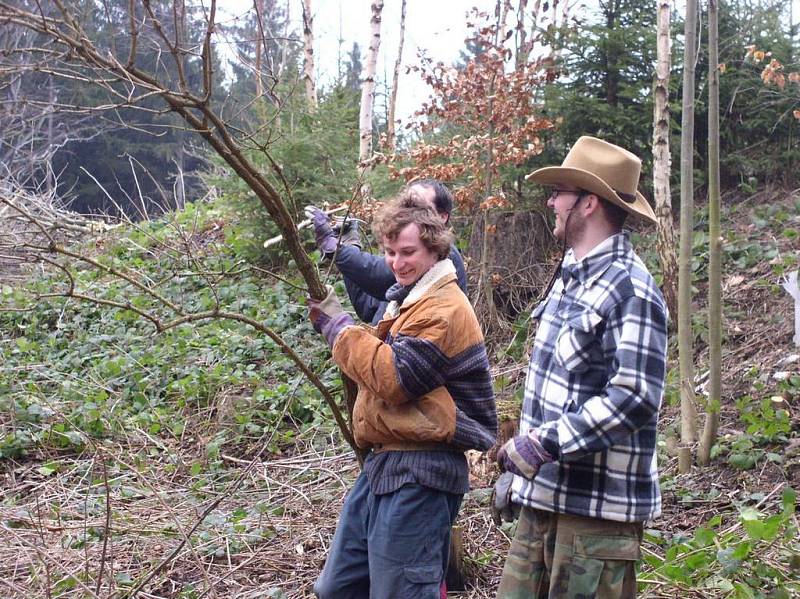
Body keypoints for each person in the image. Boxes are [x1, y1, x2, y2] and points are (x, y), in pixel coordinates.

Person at [495, 136, 669, 598]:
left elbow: (634, 398)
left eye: (560, 193)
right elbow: (557, 389)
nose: (551, 202)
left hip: (594, 523)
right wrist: (518, 477)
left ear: (588, 203)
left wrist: (542, 445)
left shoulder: (631, 289)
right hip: (543, 504)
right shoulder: (570, 277)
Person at [307, 191, 497, 599]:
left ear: (434, 247)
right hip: (386, 464)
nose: (397, 263)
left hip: (423, 472)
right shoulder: (406, 300)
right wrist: (344, 256)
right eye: (390, 252)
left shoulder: (443, 307)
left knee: (401, 593)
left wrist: (339, 329)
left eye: (407, 252)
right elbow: (368, 306)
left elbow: (395, 378)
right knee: (338, 587)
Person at [304, 180, 468, 324]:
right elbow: (367, 308)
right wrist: (348, 244)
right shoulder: (406, 283)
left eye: (419, 208)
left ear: (442, 217)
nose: (397, 263)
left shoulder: (444, 257)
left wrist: (334, 248)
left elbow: (376, 275)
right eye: (406, 205)